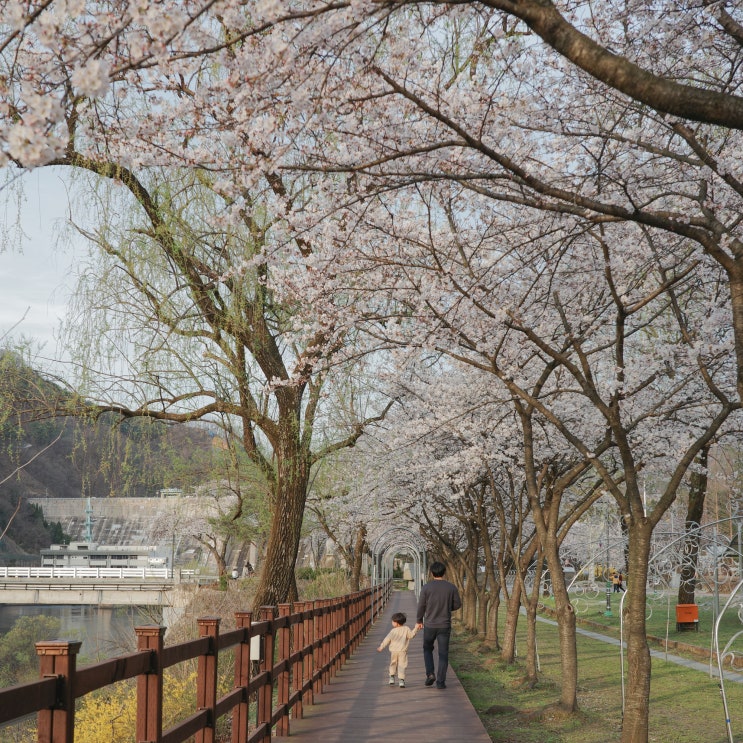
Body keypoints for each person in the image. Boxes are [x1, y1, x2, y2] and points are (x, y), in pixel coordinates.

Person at [415, 561, 462, 690]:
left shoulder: (426, 587)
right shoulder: (451, 587)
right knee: (443, 653)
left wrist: (419, 620)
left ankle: (430, 674)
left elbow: (421, 606)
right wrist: (447, 608)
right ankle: (441, 682)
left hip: (430, 624)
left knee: (427, 649)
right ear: (444, 572)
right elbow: (458, 604)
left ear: (431, 572)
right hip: (445, 625)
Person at [377, 611, 418, 688]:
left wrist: (381, 647)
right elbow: (411, 636)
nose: (392, 623)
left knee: (393, 663)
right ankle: (401, 680)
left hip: (394, 651)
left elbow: (387, 639)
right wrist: (416, 628)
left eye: (393, 621)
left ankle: (392, 677)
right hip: (402, 651)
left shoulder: (393, 631)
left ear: (396, 622)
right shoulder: (406, 629)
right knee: (402, 665)